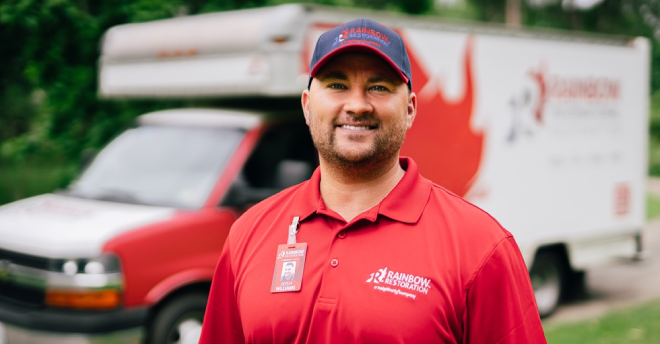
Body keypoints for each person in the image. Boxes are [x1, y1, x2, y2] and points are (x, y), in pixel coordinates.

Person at [199, 18, 547, 343]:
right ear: (306, 106)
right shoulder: (249, 233)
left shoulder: (482, 248)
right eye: (337, 84)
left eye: (379, 87)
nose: (357, 105)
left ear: (410, 109)